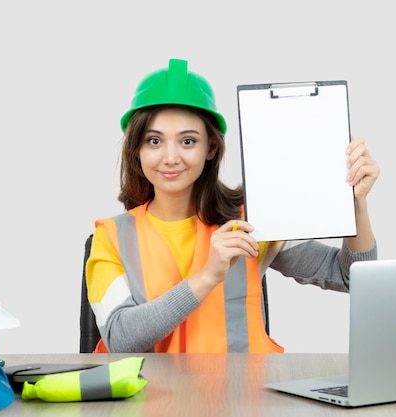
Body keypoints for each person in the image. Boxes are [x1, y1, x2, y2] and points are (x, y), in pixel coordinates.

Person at [85, 58, 379, 353]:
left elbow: (351, 277)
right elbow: (120, 338)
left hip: (244, 396)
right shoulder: (111, 238)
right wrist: (207, 276)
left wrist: (355, 204)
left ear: (210, 147)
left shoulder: (250, 222)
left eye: (188, 141)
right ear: (136, 149)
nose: (171, 157)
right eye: (154, 141)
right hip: (154, 398)